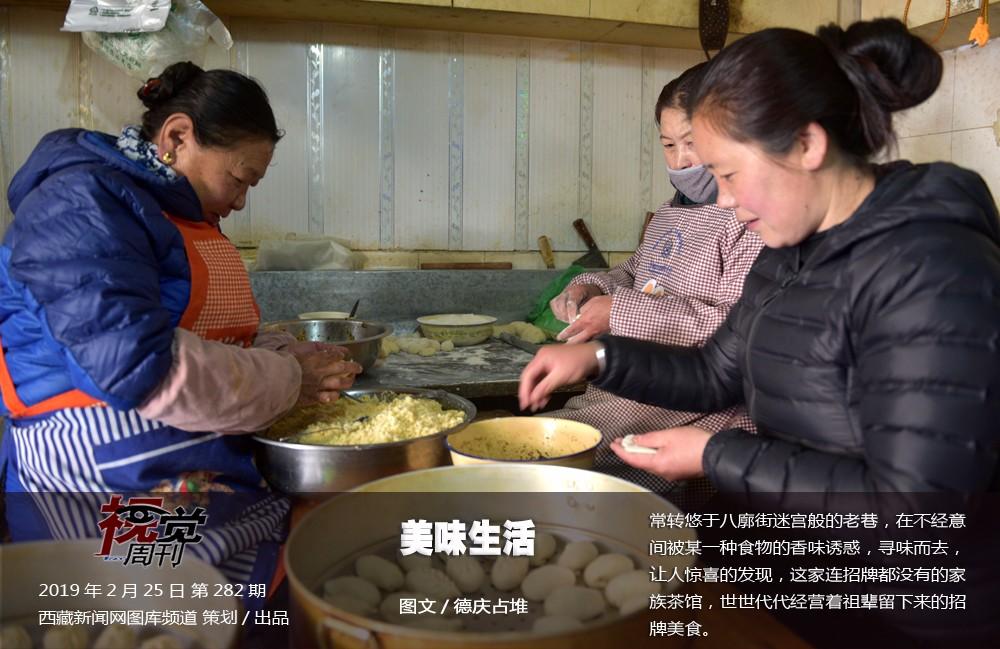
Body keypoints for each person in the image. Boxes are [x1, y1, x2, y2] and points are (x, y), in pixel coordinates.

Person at [519, 18, 1000, 644]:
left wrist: (713, 455)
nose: (721, 201)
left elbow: (916, 508)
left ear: (806, 145)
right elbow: (716, 372)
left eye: (729, 174)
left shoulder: (933, 270)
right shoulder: (790, 250)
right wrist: (600, 358)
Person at [0, 62, 362, 586]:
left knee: (309, 553)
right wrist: (289, 378)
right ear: (176, 137)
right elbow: (137, 367)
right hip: (104, 477)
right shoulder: (78, 204)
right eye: (239, 178)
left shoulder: (168, 211)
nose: (241, 200)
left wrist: (280, 351)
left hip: (184, 456)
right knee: (182, 604)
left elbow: (194, 330)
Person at [543, 63, 763, 495]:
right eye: (669, 145)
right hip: (630, 387)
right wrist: (594, 287)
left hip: (692, 409)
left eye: (693, 143)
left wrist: (619, 313)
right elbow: (638, 270)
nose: (681, 161)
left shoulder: (754, 220)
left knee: (561, 471)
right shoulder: (670, 212)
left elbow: (737, 332)